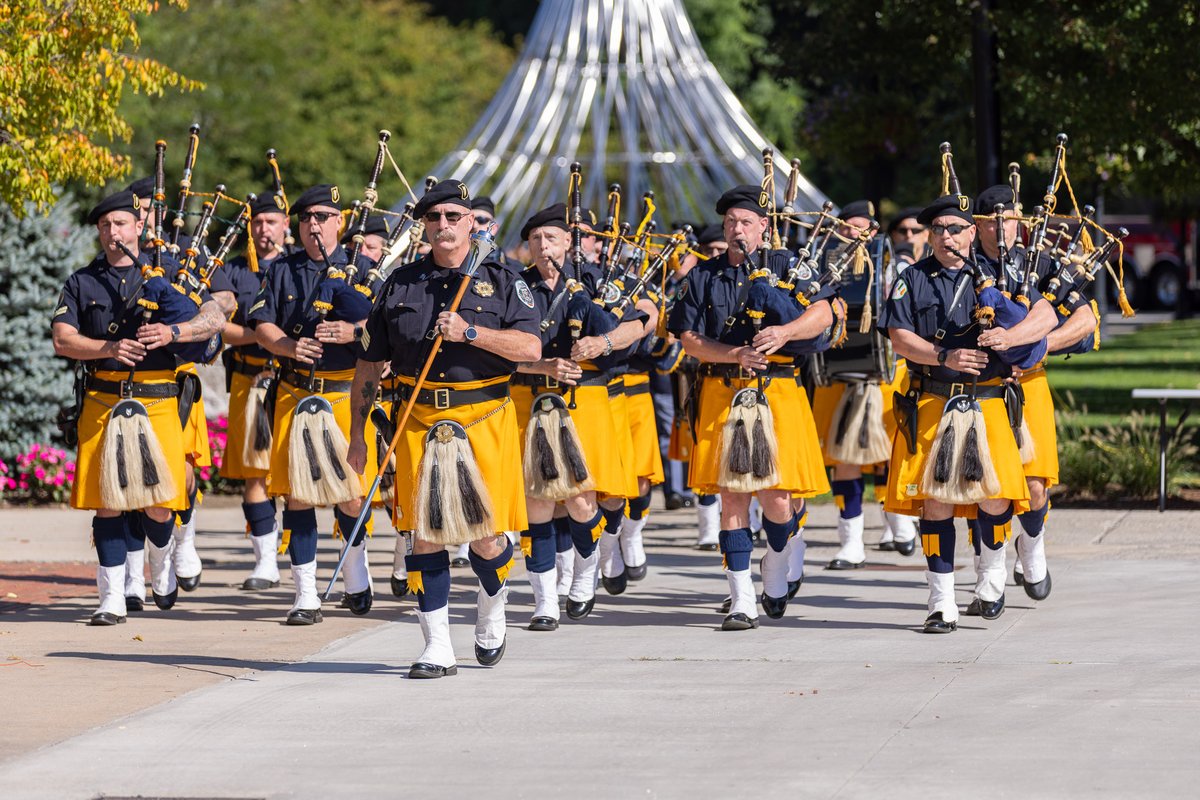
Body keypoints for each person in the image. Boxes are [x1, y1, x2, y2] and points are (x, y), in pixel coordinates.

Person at [348, 180, 541, 678]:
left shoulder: (503, 279)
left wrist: (469, 332)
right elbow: (369, 366)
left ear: (472, 222)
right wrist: (355, 439)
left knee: (486, 537)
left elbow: (530, 350)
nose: (444, 226)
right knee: (424, 536)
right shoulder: (400, 283)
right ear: (424, 226)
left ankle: (491, 610)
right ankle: (436, 647)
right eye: (434, 218)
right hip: (417, 420)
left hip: (484, 419)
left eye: (454, 216)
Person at [880, 193, 1056, 633]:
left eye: (955, 229)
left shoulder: (1000, 276)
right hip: (936, 398)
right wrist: (944, 355)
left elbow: (1046, 315)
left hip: (993, 398)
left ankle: (992, 579)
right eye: (937, 230)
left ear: (972, 232)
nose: (945, 237)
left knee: (995, 495)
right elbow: (899, 337)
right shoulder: (913, 278)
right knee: (936, 501)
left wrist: (1014, 339)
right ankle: (941, 602)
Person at [51, 190, 226, 625]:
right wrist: (109, 346)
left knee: (160, 505)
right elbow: (62, 338)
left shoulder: (167, 274)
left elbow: (213, 320)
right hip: (104, 398)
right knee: (107, 503)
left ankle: (162, 561)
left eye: (122, 224)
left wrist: (174, 332)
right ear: (99, 232)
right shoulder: (81, 281)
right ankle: (110, 598)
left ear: (139, 228)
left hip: (160, 400)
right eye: (106, 226)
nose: (115, 233)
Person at [668, 185, 833, 631]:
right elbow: (689, 339)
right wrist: (732, 354)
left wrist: (786, 333)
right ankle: (742, 600)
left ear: (764, 225)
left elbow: (824, 313)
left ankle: (777, 565)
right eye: (730, 222)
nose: (736, 229)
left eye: (745, 221)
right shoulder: (704, 276)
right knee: (732, 496)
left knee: (779, 500)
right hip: (724, 393)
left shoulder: (790, 266)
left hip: (778, 392)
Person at [508, 203, 650, 628]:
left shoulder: (593, 282)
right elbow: (498, 349)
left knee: (583, 499)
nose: (542, 246)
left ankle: (585, 577)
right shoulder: (514, 285)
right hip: (528, 400)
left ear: (570, 242)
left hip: (583, 400)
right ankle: (544, 600)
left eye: (550, 238)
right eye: (535, 240)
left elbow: (635, 328)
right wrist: (540, 366)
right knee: (535, 501)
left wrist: (602, 340)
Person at [249, 183, 379, 625]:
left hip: (345, 392)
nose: (314, 225)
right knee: (299, 496)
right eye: (306, 218)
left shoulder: (365, 270)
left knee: (349, 495)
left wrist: (352, 333)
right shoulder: (282, 270)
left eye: (323, 217)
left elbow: (386, 334)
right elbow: (262, 323)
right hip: (295, 392)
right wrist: (288, 346)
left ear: (339, 222)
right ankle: (305, 596)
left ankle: (356, 575)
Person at [972, 185, 1098, 603]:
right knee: (987, 485)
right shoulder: (964, 266)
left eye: (1008, 220)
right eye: (991, 221)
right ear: (979, 225)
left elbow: (1084, 321)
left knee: (1035, 484)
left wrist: (1039, 347)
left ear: (1020, 222)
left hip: (1029, 382)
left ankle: (1032, 541)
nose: (1000, 228)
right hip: (981, 387)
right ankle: (988, 574)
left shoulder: (1041, 262)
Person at [808, 201, 919, 568]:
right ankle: (851, 542)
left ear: (873, 233)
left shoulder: (895, 266)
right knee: (845, 459)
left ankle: (900, 522)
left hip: (886, 372)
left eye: (861, 229)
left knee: (891, 453)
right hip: (840, 373)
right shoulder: (822, 266)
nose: (853, 235)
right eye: (846, 228)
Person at [222, 191, 292, 590]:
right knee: (255, 474)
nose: (264, 229)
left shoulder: (300, 268)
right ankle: (266, 561)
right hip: (250, 381)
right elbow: (219, 324)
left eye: (271, 221)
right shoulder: (232, 271)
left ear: (285, 224)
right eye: (258, 222)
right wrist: (262, 335)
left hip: (292, 382)